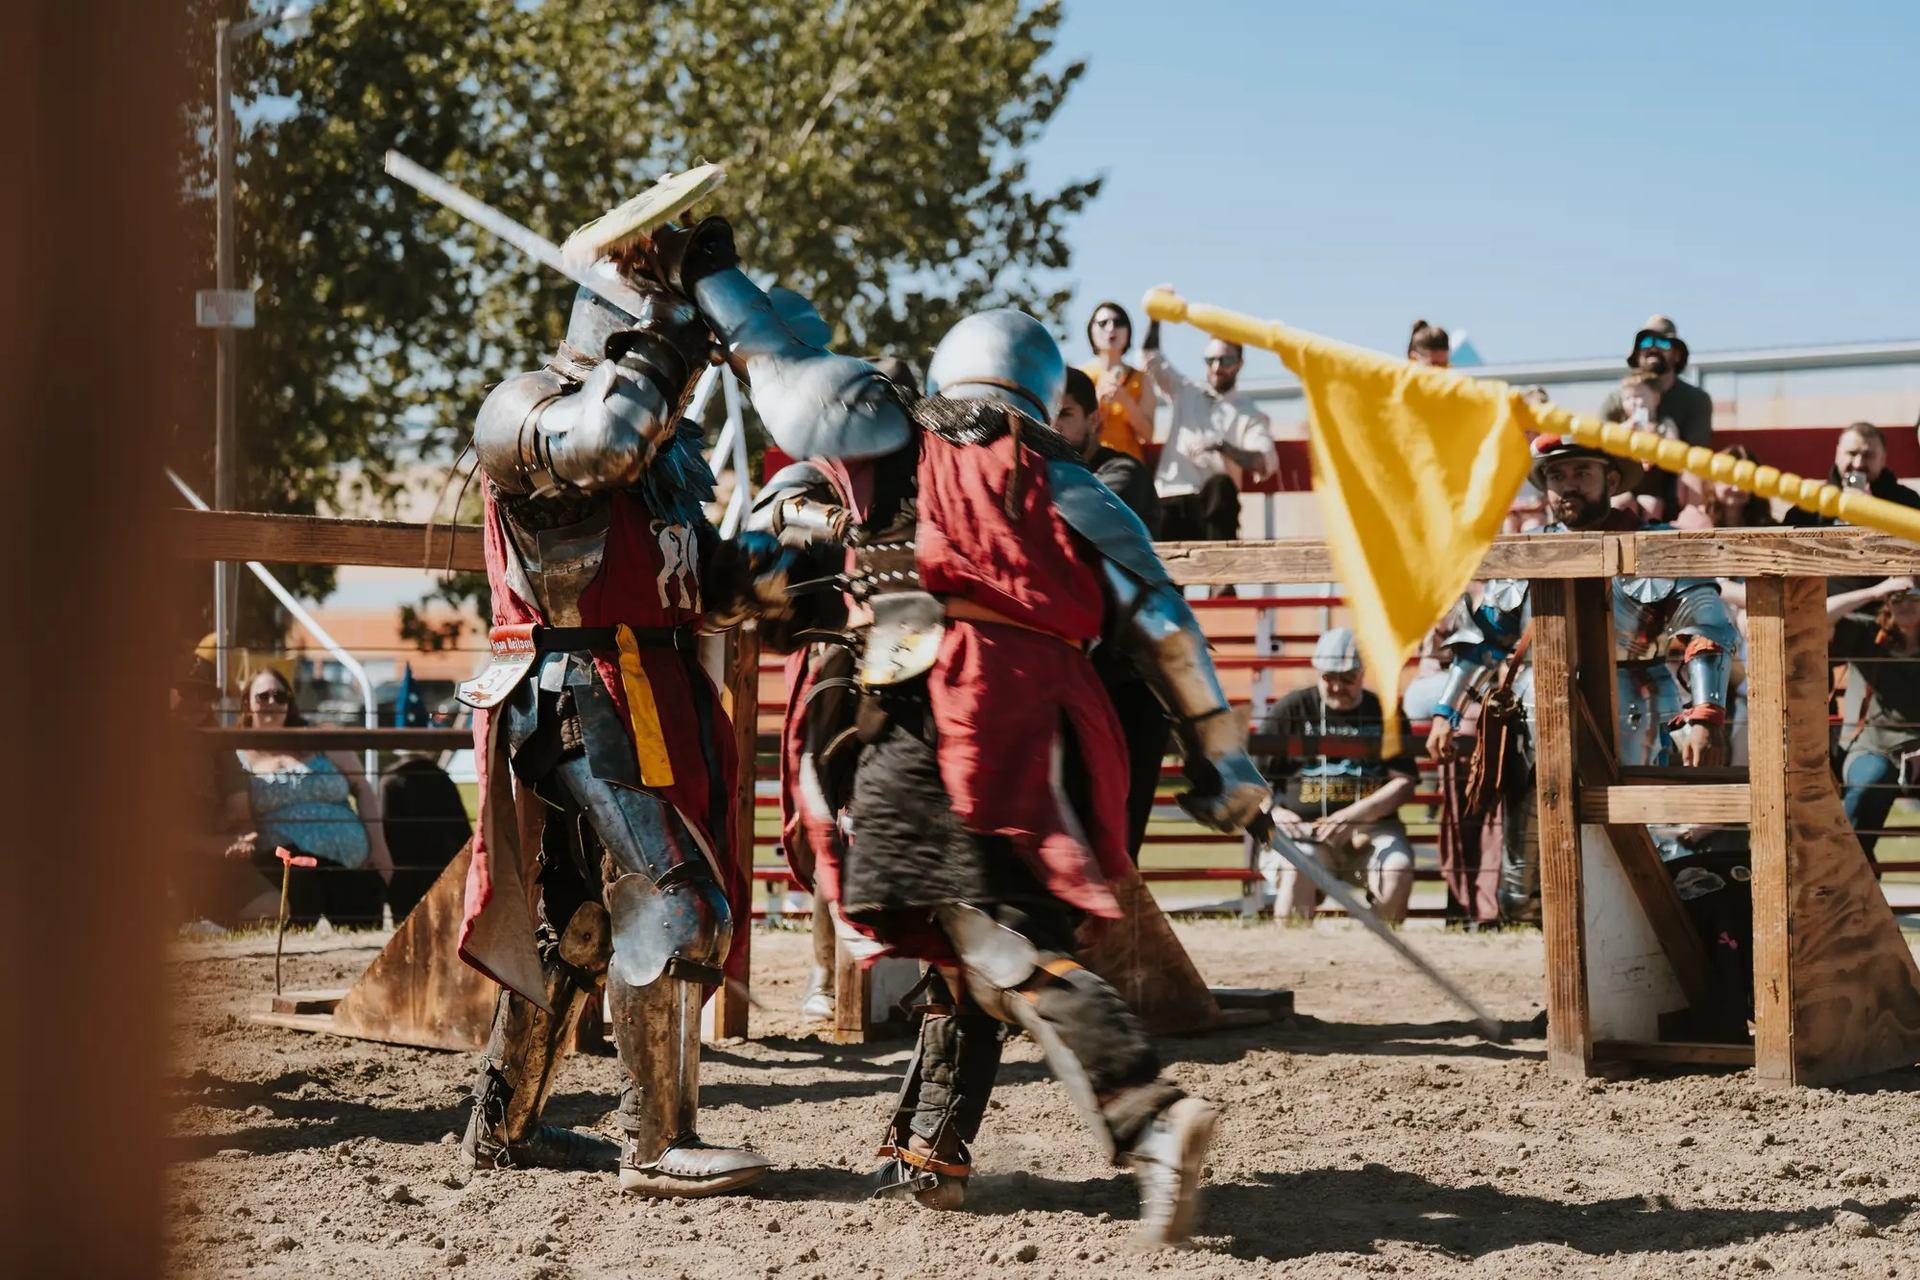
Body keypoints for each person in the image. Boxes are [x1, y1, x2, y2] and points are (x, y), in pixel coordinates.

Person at [685, 228, 1269, 1243]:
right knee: (973, 953)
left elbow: (779, 369)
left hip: (942, 718)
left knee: (987, 940)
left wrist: (706, 277)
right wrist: (1224, 763)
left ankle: (1150, 1112)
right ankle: (929, 1153)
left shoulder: (899, 454)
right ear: (1044, 396)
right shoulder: (1071, 488)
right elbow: (1166, 626)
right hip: (1057, 744)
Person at [451, 213, 768, 1196]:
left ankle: (505, 1124)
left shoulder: (670, 457)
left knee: (583, 924)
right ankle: (658, 1138)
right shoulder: (527, 408)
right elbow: (607, 441)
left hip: (645, 683)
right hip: (582, 687)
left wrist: (798, 565)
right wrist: (675, 316)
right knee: (677, 904)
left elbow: (697, 578)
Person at [1427, 436, 1740, 920]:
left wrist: (1705, 711)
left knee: (1638, 850)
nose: (1567, 486)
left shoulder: (1652, 544)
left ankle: (1661, 959)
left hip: (1635, 703)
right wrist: (1447, 711)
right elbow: (1483, 636)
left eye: (1580, 473)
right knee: (1523, 873)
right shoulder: (1526, 551)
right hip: (1534, 711)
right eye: (1556, 476)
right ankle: (1558, 973)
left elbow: (1706, 628)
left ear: (1610, 480)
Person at [1056, 367, 1170, 858]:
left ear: (1094, 419)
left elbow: (1085, 518)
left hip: (1129, 676)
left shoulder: (1122, 473)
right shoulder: (1030, 474)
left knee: (1118, 839)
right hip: (1066, 674)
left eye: (1066, 414)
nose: (1053, 425)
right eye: (1045, 413)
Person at [1261, 628, 1417, 926]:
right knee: (1297, 867)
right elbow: (1250, 780)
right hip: (1305, 830)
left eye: (1346, 678)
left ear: (1362, 673)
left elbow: (1404, 780)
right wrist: (1275, 812)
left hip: (1371, 830)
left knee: (1397, 868)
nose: (1336, 687)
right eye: (1328, 678)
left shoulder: (1385, 712)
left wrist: (1356, 815)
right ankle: (1291, 954)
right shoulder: (1291, 709)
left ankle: (1379, 954)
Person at [236, 667, 393, 927]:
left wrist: (379, 848)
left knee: (362, 939)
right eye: (263, 697)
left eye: (280, 696)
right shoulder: (237, 755)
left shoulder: (321, 738)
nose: (273, 703)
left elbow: (362, 788)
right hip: (288, 871)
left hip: (350, 863)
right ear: (246, 704)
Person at [1140, 288, 1275, 541]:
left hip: (1211, 512)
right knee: (1160, 510)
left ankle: (1221, 580)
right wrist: (1155, 315)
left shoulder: (1249, 413)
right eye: (1210, 360)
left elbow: (1263, 463)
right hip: (1171, 499)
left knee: (1221, 486)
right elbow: (1150, 359)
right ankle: (1164, 581)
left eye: (1225, 360)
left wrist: (1221, 447)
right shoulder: (1186, 391)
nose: (1216, 367)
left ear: (1239, 364)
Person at [168, 654, 275, 927]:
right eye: (185, 690)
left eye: (204, 694)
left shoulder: (220, 747)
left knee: (272, 908)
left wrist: (242, 837)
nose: (196, 702)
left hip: (212, 864)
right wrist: (214, 846)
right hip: (160, 867)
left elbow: (240, 813)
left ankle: (209, 926)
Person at [1825, 577, 1920, 874]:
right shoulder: (1868, 631)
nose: (1905, 603)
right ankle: (1852, 880)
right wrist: (1872, 592)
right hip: (1874, 745)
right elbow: (1815, 618)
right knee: (1869, 784)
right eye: (1897, 596)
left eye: (1914, 595)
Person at [1597, 314, 1713, 449]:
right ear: (1637, 353)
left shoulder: (1695, 400)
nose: (1652, 348)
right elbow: (1599, 450)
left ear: (1677, 355)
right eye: (1645, 342)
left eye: (1663, 343)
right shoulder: (1616, 399)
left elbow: (1695, 461)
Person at [380, 752, 473, 919]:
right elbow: (462, 831)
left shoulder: (390, 782)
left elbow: (386, 832)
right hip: (441, 870)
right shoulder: (442, 779)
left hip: (404, 874)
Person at [1080, 301, 1157, 462]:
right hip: (1088, 465)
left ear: (1128, 331)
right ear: (1091, 331)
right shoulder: (1081, 375)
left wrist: (1125, 400)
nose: (1111, 328)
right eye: (1103, 323)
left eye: (1118, 322)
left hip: (1128, 466)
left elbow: (1147, 435)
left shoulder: (1141, 378)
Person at [1607, 369, 1681, 519]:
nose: (1633, 402)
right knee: (1620, 501)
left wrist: (1655, 439)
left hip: (1652, 487)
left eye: (1639, 396)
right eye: (1627, 398)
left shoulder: (1664, 424)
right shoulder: (1621, 426)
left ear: (1656, 398)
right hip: (1625, 485)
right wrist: (1627, 429)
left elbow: (1675, 449)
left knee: (1652, 505)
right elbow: (1608, 444)